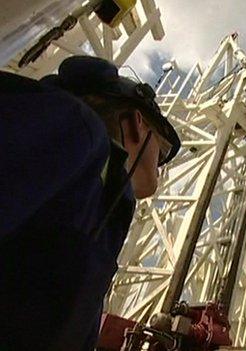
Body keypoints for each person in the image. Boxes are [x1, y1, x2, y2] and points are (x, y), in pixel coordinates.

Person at [0, 56, 180, 350]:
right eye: (162, 153)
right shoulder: (73, 126)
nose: (160, 167)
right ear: (136, 124)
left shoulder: (100, 196)